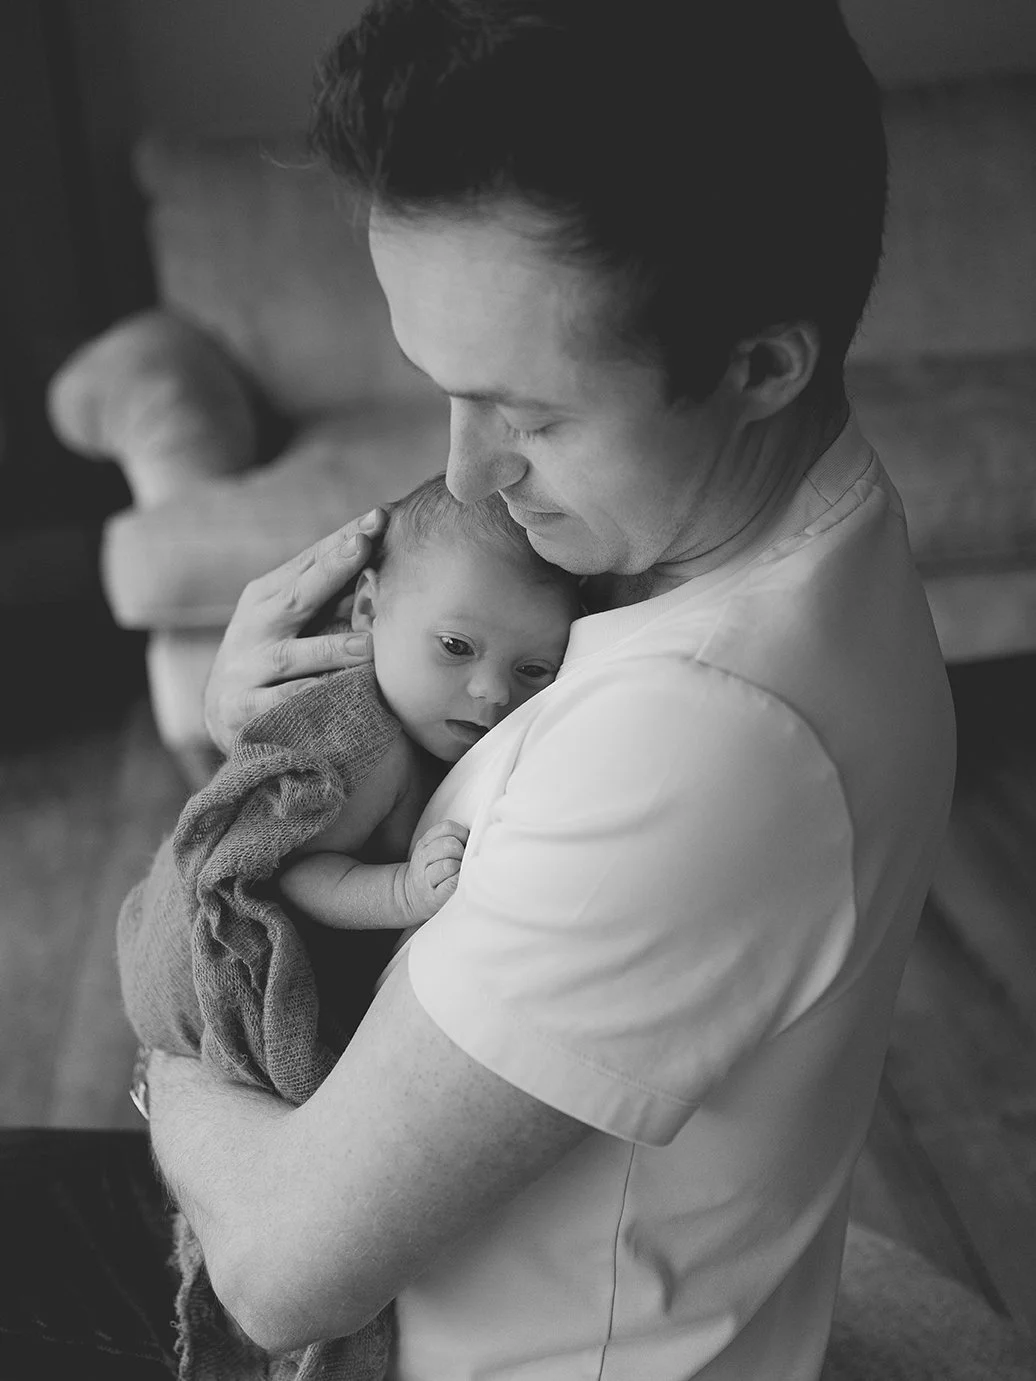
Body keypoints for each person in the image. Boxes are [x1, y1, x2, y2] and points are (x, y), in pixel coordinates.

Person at [0, 2, 973, 1378]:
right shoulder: (785, 530)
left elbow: (282, 1275)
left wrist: (168, 1077)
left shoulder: (705, 743)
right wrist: (282, 750)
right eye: (445, 392)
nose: (468, 476)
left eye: (533, 413)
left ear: (762, 365)